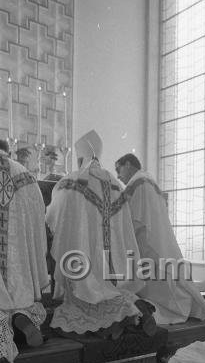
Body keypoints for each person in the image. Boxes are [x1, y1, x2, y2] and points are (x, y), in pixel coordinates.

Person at [46, 131, 155, 336]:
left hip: (83, 257)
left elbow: (54, 216)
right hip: (114, 263)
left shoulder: (72, 181)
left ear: (80, 157)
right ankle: (134, 307)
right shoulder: (116, 184)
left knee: (83, 295)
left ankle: (116, 321)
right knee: (112, 287)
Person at [115, 153, 205, 324]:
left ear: (129, 164)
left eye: (119, 169)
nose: (118, 175)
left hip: (145, 240)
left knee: (156, 280)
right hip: (157, 237)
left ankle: (169, 310)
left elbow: (132, 217)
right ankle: (181, 306)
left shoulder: (137, 183)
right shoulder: (149, 181)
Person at [0, 140, 49, 363]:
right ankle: (21, 317)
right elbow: (40, 217)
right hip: (19, 261)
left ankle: (9, 323)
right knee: (20, 299)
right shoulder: (25, 174)